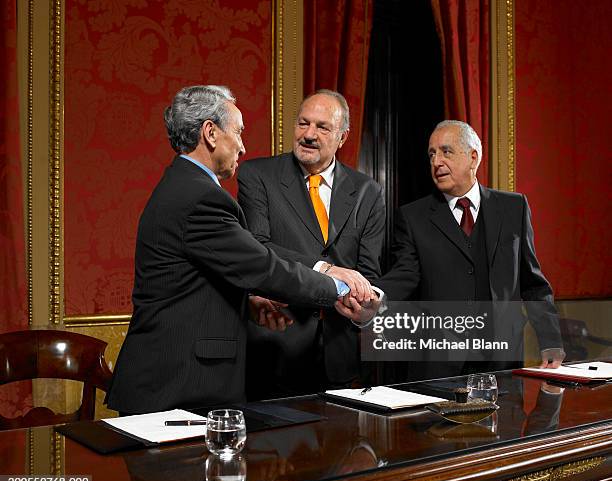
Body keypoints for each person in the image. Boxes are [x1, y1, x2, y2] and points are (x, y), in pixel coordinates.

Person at [106, 86, 368, 415]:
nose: (243, 146)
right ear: (211, 133)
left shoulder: (182, 185)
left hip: (174, 381)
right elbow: (263, 267)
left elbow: (197, 282)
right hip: (177, 385)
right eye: (239, 132)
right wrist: (338, 283)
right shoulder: (200, 198)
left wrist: (249, 302)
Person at [337, 120, 564, 379]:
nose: (436, 162)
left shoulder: (514, 208)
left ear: (473, 157)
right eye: (432, 154)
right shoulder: (413, 217)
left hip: (502, 362)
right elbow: (404, 276)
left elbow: (533, 284)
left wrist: (550, 340)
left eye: (446, 151)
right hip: (438, 363)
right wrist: (371, 298)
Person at [237, 89, 385, 398]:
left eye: (322, 127)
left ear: (342, 137)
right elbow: (258, 246)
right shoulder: (257, 175)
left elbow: (368, 272)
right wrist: (325, 271)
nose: (309, 134)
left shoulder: (367, 191)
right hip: (276, 345)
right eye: (303, 124)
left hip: (340, 354)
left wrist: (366, 307)